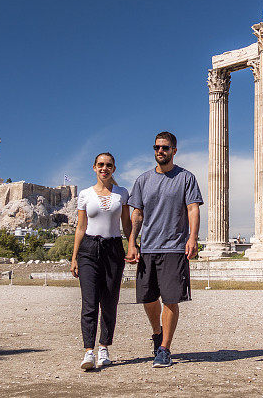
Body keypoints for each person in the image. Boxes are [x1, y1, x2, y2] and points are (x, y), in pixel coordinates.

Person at [126, 131, 203, 368]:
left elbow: (192, 209)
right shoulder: (142, 180)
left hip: (174, 247)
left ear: (174, 151)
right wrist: (131, 242)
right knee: (148, 298)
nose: (161, 151)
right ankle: (157, 332)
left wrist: (192, 238)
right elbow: (136, 213)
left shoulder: (186, 178)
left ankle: (164, 349)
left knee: (171, 299)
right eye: (157, 147)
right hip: (148, 247)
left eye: (165, 148)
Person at [71, 152, 130, 371]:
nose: (104, 168)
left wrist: (132, 244)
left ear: (114, 169)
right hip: (88, 249)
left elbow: (126, 224)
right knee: (89, 301)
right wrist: (74, 257)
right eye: (100, 165)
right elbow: (80, 227)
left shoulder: (122, 193)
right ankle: (88, 352)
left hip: (113, 248)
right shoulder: (85, 194)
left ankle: (104, 347)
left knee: (109, 301)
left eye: (108, 165)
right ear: (94, 168)